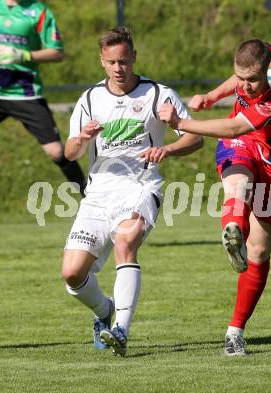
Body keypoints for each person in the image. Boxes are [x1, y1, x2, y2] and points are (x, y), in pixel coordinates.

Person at [159, 39, 271, 356]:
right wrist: (214, 95)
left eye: (252, 80)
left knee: (260, 249)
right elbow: (239, 85)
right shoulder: (257, 60)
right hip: (242, 147)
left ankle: (235, 332)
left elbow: (235, 126)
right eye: (240, 78)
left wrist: (182, 123)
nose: (245, 86)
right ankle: (233, 229)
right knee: (237, 184)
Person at [62, 27, 203, 357]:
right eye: (111, 62)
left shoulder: (157, 94)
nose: (118, 68)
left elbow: (194, 138)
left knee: (126, 240)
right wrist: (82, 138)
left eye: (123, 61)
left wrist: (167, 149)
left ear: (134, 57)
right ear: (102, 61)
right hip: (98, 195)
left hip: (140, 187)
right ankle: (105, 312)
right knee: (71, 274)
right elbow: (69, 153)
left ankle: (121, 330)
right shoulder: (91, 99)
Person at [0, 0, 86, 193]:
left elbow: (57, 52)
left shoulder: (38, 11)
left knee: (56, 151)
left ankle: (89, 197)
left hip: (25, 94)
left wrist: (24, 55)